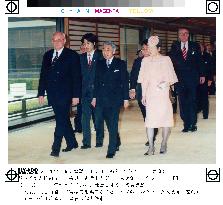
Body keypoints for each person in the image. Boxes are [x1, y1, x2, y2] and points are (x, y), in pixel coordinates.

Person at [38, 32, 81, 157]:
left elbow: (76, 77)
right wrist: (41, 92)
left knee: (60, 120)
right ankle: (72, 142)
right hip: (52, 94)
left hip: (66, 94)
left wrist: (76, 95)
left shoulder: (72, 55)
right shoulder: (47, 55)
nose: (56, 42)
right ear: (52, 41)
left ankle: (55, 147)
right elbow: (43, 75)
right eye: (54, 40)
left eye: (59, 40)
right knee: (63, 118)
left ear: (64, 41)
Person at [138, 36, 178, 155]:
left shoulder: (166, 59)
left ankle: (164, 143)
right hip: (150, 94)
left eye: (152, 48)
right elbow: (143, 79)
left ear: (159, 48)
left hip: (163, 93)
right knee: (149, 121)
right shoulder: (145, 60)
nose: (149, 50)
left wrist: (163, 85)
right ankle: (151, 146)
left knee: (165, 120)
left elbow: (171, 77)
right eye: (148, 48)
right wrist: (143, 95)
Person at [92, 41, 129, 158]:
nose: (105, 52)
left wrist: (126, 98)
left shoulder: (120, 64)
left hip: (114, 99)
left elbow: (124, 82)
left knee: (113, 123)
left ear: (113, 51)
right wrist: (94, 97)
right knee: (107, 123)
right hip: (101, 98)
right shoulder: (99, 63)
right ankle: (117, 141)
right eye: (104, 49)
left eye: (108, 49)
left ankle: (111, 149)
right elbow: (96, 82)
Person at [169, 28, 205, 132]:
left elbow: (200, 61)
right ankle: (186, 123)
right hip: (180, 79)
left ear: (188, 35)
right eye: (181, 34)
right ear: (178, 36)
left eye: (185, 34)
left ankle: (193, 124)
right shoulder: (175, 46)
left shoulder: (195, 46)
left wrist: (202, 75)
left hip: (192, 78)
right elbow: (171, 62)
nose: (183, 35)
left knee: (192, 101)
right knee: (182, 101)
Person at [129, 39, 158, 146]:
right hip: (141, 89)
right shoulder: (138, 61)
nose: (145, 51)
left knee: (153, 112)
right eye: (143, 49)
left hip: (154, 90)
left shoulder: (157, 60)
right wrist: (132, 89)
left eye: (147, 49)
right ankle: (152, 133)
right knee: (145, 113)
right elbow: (133, 76)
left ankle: (153, 134)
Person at [80, 33, 103, 149]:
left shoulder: (101, 57)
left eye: (88, 43)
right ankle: (86, 142)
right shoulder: (81, 58)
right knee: (85, 118)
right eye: (84, 44)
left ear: (94, 44)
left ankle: (99, 140)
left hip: (97, 93)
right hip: (84, 93)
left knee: (98, 117)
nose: (86, 46)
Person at [197, 43, 213, 119]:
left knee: (205, 97)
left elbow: (211, 68)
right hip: (196, 80)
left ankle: (205, 114)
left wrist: (210, 79)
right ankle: (198, 109)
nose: (200, 49)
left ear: (203, 48)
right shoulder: (194, 56)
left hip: (205, 80)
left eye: (201, 47)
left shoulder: (208, 56)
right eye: (199, 47)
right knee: (197, 96)